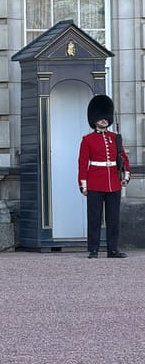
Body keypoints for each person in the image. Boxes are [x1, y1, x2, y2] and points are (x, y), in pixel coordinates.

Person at [78, 94, 130, 258]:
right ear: (94, 119)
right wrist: (83, 184)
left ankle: (112, 249)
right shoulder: (88, 140)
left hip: (113, 182)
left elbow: (123, 158)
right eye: (100, 118)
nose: (104, 120)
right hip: (95, 182)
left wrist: (125, 175)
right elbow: (82, 163)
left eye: (105, 117)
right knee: (94, 218)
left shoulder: (115, 138)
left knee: (113, 219)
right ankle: (93, 249)